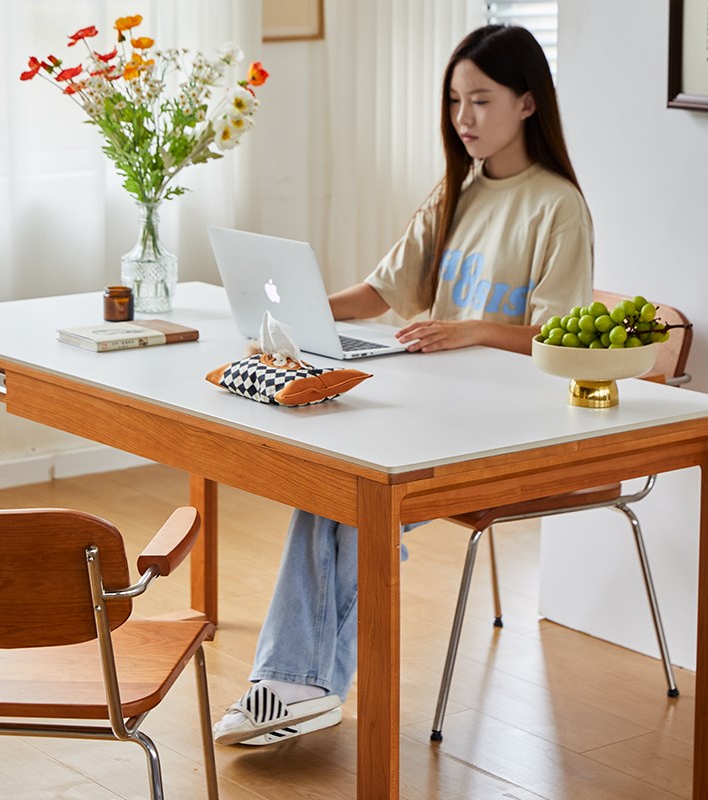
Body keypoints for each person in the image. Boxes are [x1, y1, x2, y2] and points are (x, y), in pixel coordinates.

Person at [213, 24, 593, 747]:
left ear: (527, 104)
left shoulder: (558, 207)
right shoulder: (455, 192)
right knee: (331, 487)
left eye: (480, 100)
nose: (464, 118)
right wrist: (294, 312)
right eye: (454, 101)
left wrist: (475, 328)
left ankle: (298, 683)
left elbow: (558, 339)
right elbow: (381, 294)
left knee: (353, 500)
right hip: (435, 405)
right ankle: (298, 685)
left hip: (509, 427)